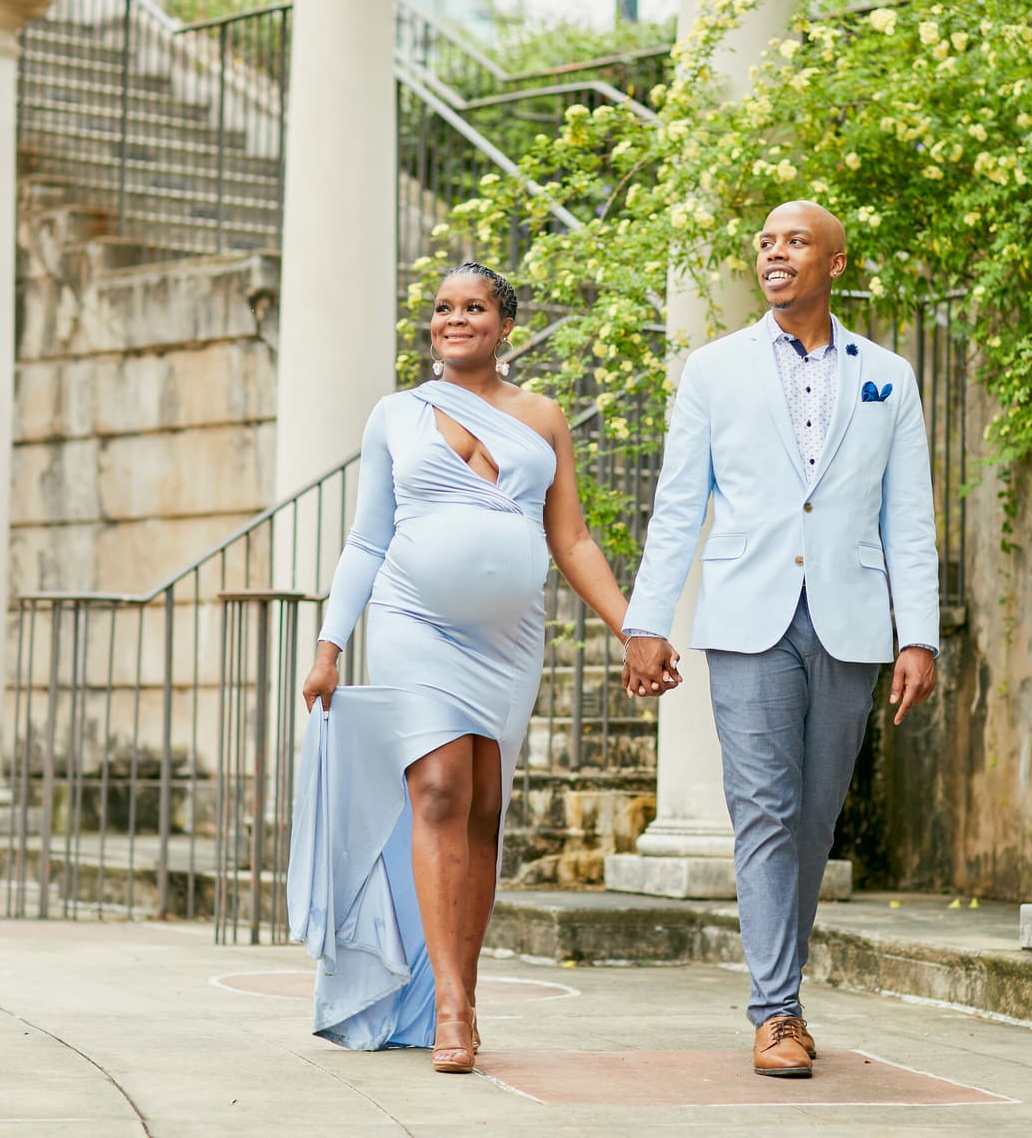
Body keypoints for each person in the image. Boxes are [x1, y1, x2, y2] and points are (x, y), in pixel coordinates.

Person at [289, 261, 677, 1072]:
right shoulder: (396, 415)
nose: (453, 319)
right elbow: (367, 539)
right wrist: (330, 646)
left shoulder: (542, 416)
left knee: (484, 810)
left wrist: (635, 629)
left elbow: (569, 539)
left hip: (507, 644)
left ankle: (458, 981)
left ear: (504, 325)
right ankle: (453, 1011)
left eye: (473, 307)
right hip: (411, 622)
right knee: (437, 788)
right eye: (441, 308)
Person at [621, 200, 940, 1078]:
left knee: (814, 818)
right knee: (764, 808)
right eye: (766, 242)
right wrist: (647, 623)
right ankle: (778, 1012)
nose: (776, 252)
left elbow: (907, 516)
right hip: (747, 617)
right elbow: (679, 504)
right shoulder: (713, 370)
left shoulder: (889, 375)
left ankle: (782, 990)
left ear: (834, 263)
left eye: (796, 242)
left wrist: (920, 635)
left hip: (850, 620)